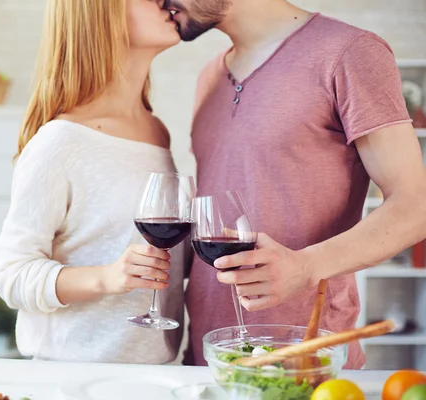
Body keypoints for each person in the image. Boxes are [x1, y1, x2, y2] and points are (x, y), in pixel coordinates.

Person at [164, 0, 426, 368]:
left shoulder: (350, 53)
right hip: (210, 357)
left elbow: (414, 207)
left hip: (305, 361)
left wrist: (304, 266)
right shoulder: (209, 77)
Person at [0, 0, 186, 364]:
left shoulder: (155, 131)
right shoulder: (60, 141)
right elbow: (11, 275)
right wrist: (108, 277)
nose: (165, 1)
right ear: (104, 14)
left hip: (152, 375)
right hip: (73, 378)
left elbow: (159, 254)